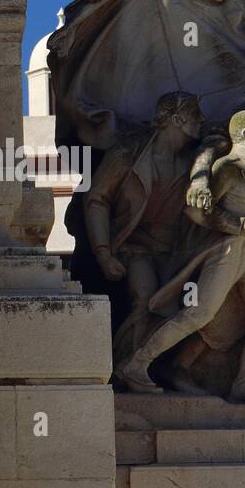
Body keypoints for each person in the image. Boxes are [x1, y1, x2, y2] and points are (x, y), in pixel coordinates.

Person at [118, 110, 245, 403]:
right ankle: (136, 364)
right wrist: (239, 226)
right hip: (226, 252)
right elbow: (195, 211)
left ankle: (242, 385)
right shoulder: (227, 168)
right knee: (198, 314)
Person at [83, 92, 204, 375]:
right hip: (135, 246)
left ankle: (173, 370)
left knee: (189, 308)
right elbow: (97, 199)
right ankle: (127, 369)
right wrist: (103, 253)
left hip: (179, 250)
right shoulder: (128, 155)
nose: (203, 120)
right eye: (196, 114)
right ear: (178, 119)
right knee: (146, 300)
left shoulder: (194, 162)